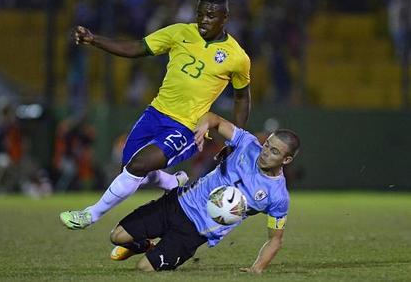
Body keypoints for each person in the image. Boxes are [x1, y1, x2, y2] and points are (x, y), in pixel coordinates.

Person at [60, 0, 251, 229]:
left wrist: (237, 139)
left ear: (226, 17)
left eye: (211, 16)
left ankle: (89, 215)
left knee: (138, 166)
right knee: (130, 168)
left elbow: (242, 97)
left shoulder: (237, 57)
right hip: (155, 113)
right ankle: (174, 183)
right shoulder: (180, 32)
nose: (204, 20)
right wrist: (93, 39)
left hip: (187, 126)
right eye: (200, 14)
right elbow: (137, 48)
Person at [107, 112, 300, 273]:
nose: (265, 152)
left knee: (144, 268)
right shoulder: (247, 144)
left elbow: (275, 239)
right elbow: (214, 119)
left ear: (287, 160)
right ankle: (143, 245)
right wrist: (202, 129)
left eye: (274, 151)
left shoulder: (277, 196)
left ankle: (160, 250)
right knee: (117, 236)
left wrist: (257, 268)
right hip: (179, 202)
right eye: (267, 145)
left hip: (194, 232)